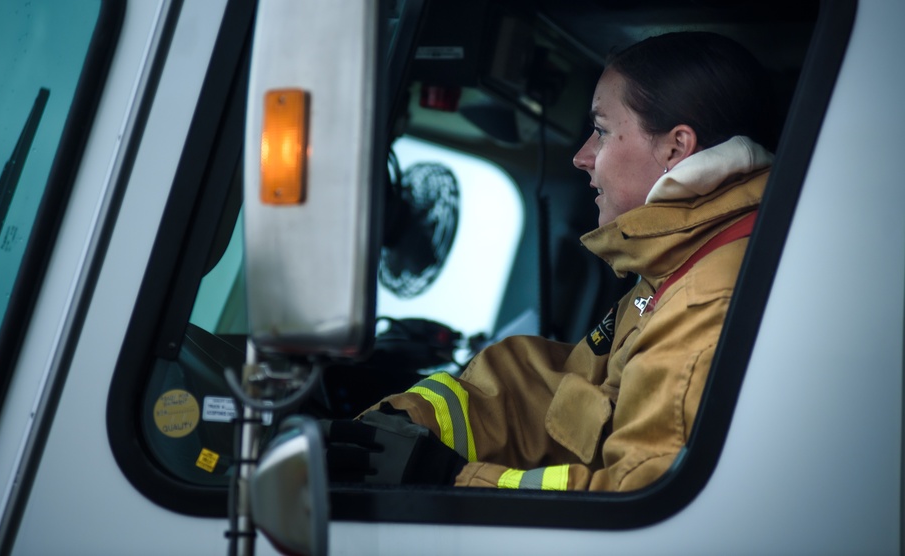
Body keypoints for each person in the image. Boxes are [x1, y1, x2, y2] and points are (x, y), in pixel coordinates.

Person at [324, 31, 775, 492]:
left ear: (676, 148)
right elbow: (559, 395)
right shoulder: (676, 271)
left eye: (600, 130)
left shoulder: (706, 304)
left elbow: (631, 507)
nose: (582, 156)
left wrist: (444, 479)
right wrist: (394, 428)